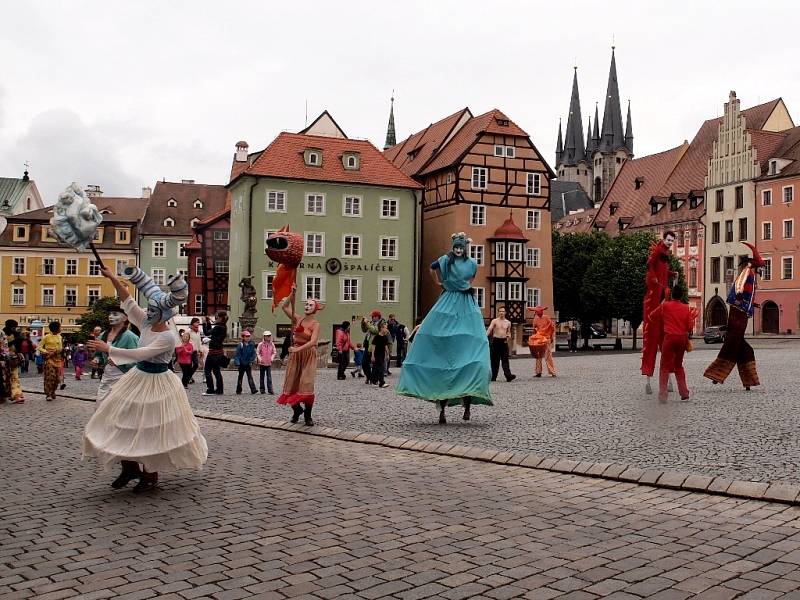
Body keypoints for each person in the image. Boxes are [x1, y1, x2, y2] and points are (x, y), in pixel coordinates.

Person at [83, 266, 207, 493]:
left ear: (163, 314)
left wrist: (108, 348)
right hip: (138, 378)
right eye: (148, 309)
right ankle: (129, 466)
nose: (147, 312)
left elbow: (141, 354)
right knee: (121, 420)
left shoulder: (168, 337)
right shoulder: (147, 323)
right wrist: (112, 277)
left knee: (150, 427)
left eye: (152, 310)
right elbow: (128, 300)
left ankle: (150, 474)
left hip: (158, 382)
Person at [397, 232, 492, 424]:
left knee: (474, 343)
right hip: (449, 299)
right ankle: (443, 409)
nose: (458, 250)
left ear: (464, 248)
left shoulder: (471, 263)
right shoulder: (445, 261)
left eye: (460, 247)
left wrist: (454, 284)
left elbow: (471, 278)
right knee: (434, 333)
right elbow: (432, 268)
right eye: (456, 247)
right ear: (453, 247)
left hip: (465, 301)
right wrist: (440, 282)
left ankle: (467, 404)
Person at [704, 242, 764, 390]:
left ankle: (745, 381)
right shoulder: (747, 273)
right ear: (755, 266)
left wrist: (752, 304)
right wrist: (739, 300)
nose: (761, 269)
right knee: (732, 346)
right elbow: (739, 287)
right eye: (761, 267)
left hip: (740, 313)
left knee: (743, 349)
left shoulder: (750, 274)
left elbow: (746, 294)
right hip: (738, 315)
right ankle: (716, 374)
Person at [277, 286, 321, 426]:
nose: (307, 306)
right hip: (296, 355)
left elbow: (313, 341)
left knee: (306, 383)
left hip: (308, 355)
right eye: (307, 304)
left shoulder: (315, 324)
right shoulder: (298, 319)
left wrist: (298, 349)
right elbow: (284, 307)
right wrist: (292, 293)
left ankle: (308, 416)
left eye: (311, 305)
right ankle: (297, 411)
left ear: (315, 309)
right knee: (291, 383)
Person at [641, 231, 677, 394]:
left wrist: (672, 274)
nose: (670, 242)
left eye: (672, 241)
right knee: (652, 342)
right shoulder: (657, 251)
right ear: (664, 239)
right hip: (654, 300)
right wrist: (654, 280)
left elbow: (661, 271)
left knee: (665, 342)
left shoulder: (665, 254)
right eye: (668, 240)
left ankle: (668, 380)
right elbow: (649, 264)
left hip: (662, 297)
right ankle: (648, 380)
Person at [648, 286, 697, 402]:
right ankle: (684, 392)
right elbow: (690, 327)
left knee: (664, 367)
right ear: (681, 296)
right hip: (681, 339)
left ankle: (663, 395)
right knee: (678, 366)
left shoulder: (665, 306)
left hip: (669, 338)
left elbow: (651, 316)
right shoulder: (686, 308)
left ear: (672, 295)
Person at [96, 303, 139, 403]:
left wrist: (119, 361)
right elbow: (99, 354)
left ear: (125, 318)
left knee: (117, 408)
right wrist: (97, 359)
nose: (111, 316)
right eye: (110, 314)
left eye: (115, 314)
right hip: (106, 378)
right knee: (100, 406)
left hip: (122, 378)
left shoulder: (130, 337)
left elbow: (137, 359)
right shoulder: (103, 335)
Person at [486, 306, 516, 382]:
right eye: (500, 311)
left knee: (505, 360)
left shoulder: (508, 322)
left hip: (504, 342)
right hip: (496, 341)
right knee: (494, 361)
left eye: (503, 311)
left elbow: (509, 332)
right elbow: (490, 329)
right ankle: (493, 377)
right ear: (498, 312)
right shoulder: (495, 321)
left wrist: (509, 336)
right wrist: (485, 336)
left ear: (505, 312)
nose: (502, 313)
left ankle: (508, 376)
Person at [202, 312, 228, 395]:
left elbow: (206, 332)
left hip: (213, 353)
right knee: (216, 371)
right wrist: (209, 323)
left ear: (220, 318)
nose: (215, 318)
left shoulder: (218, 327)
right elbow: (211, 331)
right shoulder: (223, 326)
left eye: (216, 317)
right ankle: (219, 390)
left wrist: (203, 323)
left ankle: (210, 389)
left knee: (207, 371)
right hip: (219, 352)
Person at [40, 321, 64, 402]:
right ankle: (48, 394)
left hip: (57, 358)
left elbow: (61, 348)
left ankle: (53, 391)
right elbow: (39, 347)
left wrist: (58, 351)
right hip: (49, 358)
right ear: (56, 328)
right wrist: (47, 352)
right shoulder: (46, 337)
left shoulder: (60, 337)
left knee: (57, 378)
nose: (61, 328)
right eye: (60, 327)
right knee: (50, 376)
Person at [360, 310, 386, 385]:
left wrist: (367, 323)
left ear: (377, 317)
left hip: (376, 345)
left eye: (373, 316)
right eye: (372, 316)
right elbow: (364, 330)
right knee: (364, 363)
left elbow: (375, 330)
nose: (372, 318)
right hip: (368, 344)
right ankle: (369, 376)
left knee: (375, 364)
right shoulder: (371, 323)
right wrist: (363, 323)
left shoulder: (382, 324)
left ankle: (374, 379)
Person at [530, 306, 556, 377]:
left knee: (547, 355)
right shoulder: (536, 319)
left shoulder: (546, 318)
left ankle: (552, 372)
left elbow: (552, 327)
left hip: (545, 338)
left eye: (540, 312)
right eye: (538, 312)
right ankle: (539, 372)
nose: (539, 313)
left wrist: (551, 337)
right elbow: (534, 330)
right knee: (538, 355)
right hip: (539, 339)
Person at [2, 319, 24, 403]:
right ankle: (9, 394)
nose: (15, 328)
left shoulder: (15, 334)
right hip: (3, 358)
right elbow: (5, 345)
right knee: (5, 377)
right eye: (14, 327)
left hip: (13, 358)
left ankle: (17, 395)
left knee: (14, 376)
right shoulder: (2, 333)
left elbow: (18, 347)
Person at [370, 322, 391, 388]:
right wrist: (372, 355)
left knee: (376, 368)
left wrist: (387, 354)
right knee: (380, 368)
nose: (386, 329)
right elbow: (373, 346)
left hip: (382, 355)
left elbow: (385, 346)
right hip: (377, 355)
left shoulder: (385, 337)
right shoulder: (377, 337)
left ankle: (373, 380)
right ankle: (381, 383)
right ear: (381, 328)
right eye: (385, 328)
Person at [188, 317, 205, 382]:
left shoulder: (198, 332)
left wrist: (201, 350)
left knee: (196, 364)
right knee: (189, 365)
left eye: (198, 322)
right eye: (196, 322)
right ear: (192, 323)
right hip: (189, 351)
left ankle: (189, 376)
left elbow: (199, 342)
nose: (197, 324)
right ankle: (189, 378)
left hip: (195, 351)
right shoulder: (188, 331)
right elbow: (186, 340)